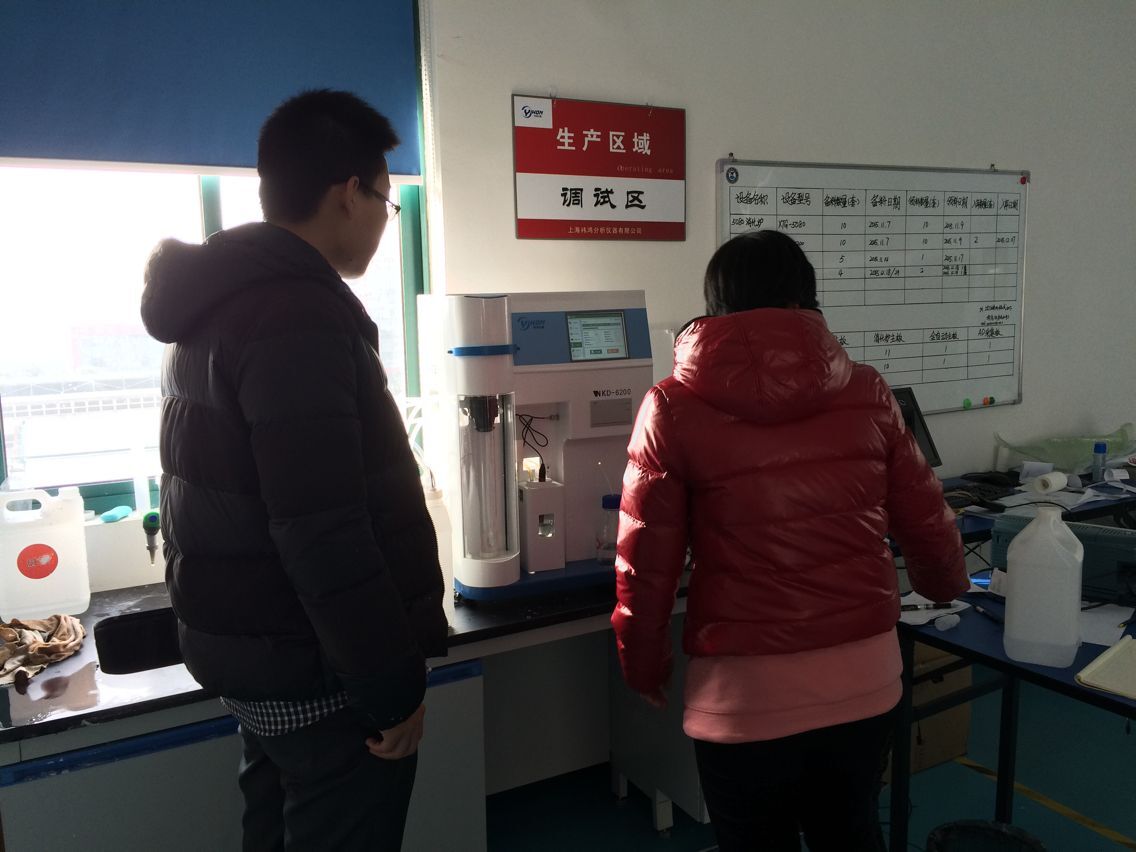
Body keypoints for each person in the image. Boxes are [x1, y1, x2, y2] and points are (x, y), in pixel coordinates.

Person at [141, 90, 447, 852]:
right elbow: (324, 532)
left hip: (265, 673)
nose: (386, 220)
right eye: (387, 202)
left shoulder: (216, 305)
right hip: (325, 687)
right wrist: (391, 689)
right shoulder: (297, 316)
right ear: (349, 193)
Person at [610, 229, 968, 851]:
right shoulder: (868, 391)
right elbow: (927, 518)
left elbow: (646, 562)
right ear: (806, 298)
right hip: (864, 680)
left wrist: (643, 665)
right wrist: (944, 585)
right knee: (851, 834)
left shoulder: (671, 405)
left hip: (744, 696)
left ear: (716, 305)